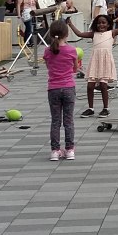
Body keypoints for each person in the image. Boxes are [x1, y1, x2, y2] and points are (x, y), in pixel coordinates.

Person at [66, 14, 118, 118]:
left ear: (108, 24)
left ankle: (106, 108)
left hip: (105, 62)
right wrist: (70, 24)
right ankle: (90, 108)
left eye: (104, 22)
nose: (101, 25)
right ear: (96, 25)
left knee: (103, 85)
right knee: (90, 86)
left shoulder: (112, 32)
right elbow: (79, 34)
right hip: (95, 62)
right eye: (99, 23)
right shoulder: (93, 34)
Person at [43, 20, 77, 161]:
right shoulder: (71, 50)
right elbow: (74, 69)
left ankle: (55, 151)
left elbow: (48, 67)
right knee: (68, 121)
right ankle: (70, 150)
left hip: (53, 89)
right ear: (67, 34)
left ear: (51, 34)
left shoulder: (47, 51)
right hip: (69, 87)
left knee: (55, 121)